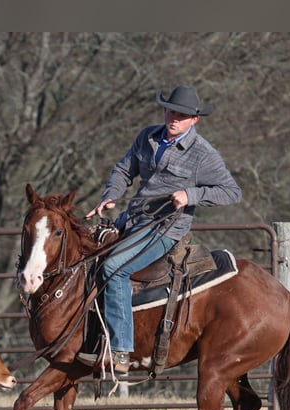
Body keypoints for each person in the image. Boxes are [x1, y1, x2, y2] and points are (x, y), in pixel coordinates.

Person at [76, 85, 242, 374]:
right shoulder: (148, 136)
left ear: (195, 120)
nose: (174, 117)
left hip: (166, 229)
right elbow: (123, 170)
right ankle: (86, 340)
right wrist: (110, 196)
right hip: (132, 220)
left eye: (182, 114)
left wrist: (191, 195)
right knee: (82, 260)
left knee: (115, 270)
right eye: (171, 110)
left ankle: (120, 352)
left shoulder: (203, 155)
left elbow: (231, 192)